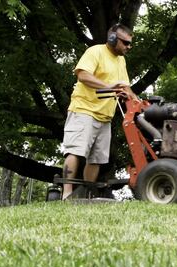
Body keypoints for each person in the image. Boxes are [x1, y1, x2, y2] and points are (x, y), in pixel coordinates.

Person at [61, 23, 138, 199]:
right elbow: (82, 75)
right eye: (125, 43)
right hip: (84, 110)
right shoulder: (95, 52)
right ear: (112, 39)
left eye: (130, 43)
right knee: (75, 151)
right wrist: (108, 87)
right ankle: (66, 195)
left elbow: (125, 87)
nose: (129, 47)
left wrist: (137, 101)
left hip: (105, 116)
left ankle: (86, 195)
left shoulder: (121, 61)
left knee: (96, 159)